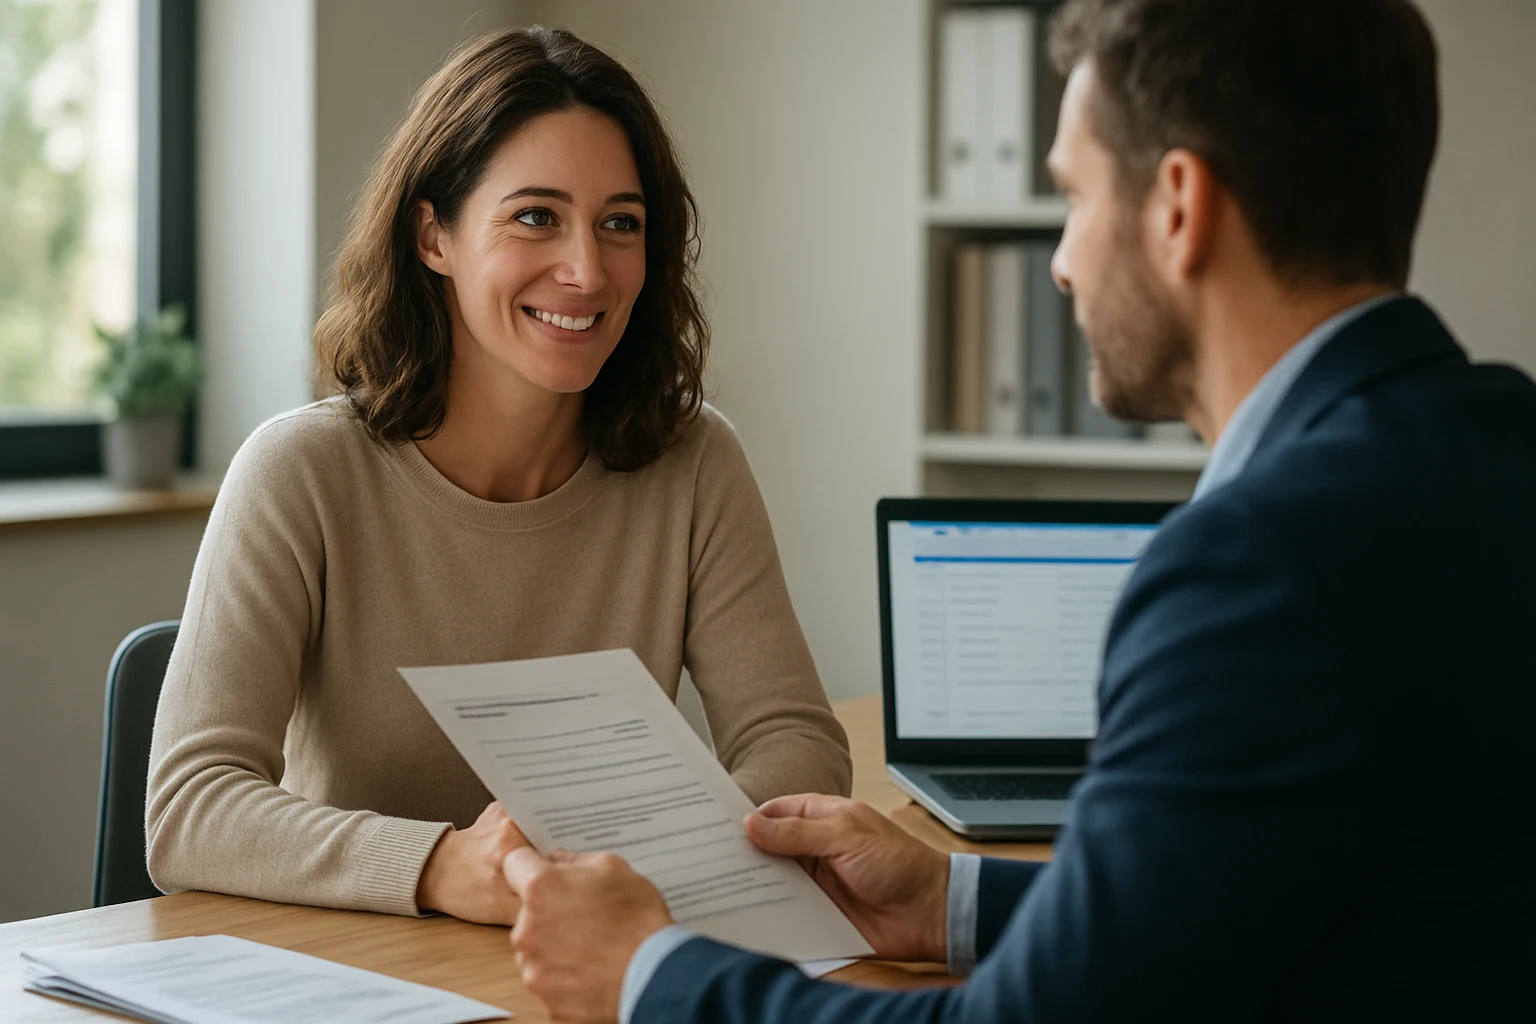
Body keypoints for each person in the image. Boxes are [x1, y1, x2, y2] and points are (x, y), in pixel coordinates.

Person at [497, 0, 1536, 1020]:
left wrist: (646, 974)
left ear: (1179, 208)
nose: (1062, 263)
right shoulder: (1499, 449)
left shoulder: (1257, 567)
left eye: (1074, 197)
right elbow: (1297, 905)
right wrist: (952, 901)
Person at [144, 26, 852, 927]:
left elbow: (796, 744)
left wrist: (662, 859)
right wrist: (447, 867)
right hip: (363, 965)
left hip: (601, 953)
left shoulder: (695, 463)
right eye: (535, 217)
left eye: (620, 224)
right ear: (433, 235)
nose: (586, 271)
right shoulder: (301, 473)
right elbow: (190, 809)